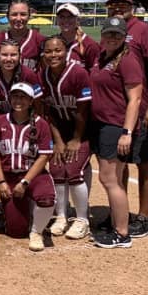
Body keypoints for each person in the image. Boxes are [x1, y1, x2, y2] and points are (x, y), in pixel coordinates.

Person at [105, 0, 148, 238]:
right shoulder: (109, 30)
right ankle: (122, 212)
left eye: (123, 4)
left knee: (143, 160)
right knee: (120, 162)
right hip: (118, 109)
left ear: (132, 6)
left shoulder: (144, 31)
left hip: (141, 108)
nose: (118, 7)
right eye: (113, 4)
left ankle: (143, 216)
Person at [89, 16, 144, 249]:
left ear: (124, 37)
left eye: (117, 34)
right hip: (101, 124)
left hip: (115, 126)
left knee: (109, 179)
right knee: (112, 178)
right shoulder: (102, 56)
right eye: (108, 33)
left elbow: (135, 99)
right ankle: (116, 224)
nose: (112, 38)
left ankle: (122, 233)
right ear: (102, 35)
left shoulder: (128, 60)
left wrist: (127, 132)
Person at [0, 82, 56, 252]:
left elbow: (44, 156)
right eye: (15, 96)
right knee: (16, 231)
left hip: (33, 175)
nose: (19, 100)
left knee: (47, 198)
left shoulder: (41, 124)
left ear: (31, 101)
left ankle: (37, 231)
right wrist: (1, 182)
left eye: (23, 97)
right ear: (9, 98)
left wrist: (25, 182)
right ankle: (17, 212)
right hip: (9, 176)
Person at [40, 35, 92, 240]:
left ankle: (82, 219)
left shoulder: (78, 73)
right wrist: (58, 141)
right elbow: (48, 113)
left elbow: (83, 111)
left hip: (83, 130)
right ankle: (61, 216)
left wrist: (76, 139)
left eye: (58, 50)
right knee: (56, 169)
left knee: (73, 170)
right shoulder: (43, 75)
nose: (53, 55)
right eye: (48, 51)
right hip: (60, 130)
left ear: (66, 52)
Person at [0, 39, 41, 113]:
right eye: (4, 55)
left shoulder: (29, 74)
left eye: (13, 55)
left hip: (24, 116)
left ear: (20, 56)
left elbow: (38, 100)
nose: (9, 59)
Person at [0, 1, 46, 70]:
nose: (18, 19)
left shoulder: (39, 39)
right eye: (14, 14)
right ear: (7, 16)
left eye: (23, 14)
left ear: (29, 16)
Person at [54, 3, 99, 70]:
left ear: (78, 20)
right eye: (62, 17)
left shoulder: (89, 45)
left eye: (70, 17)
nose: (66, 20)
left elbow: (95, 72)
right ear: (57, 19)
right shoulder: (53, 42)